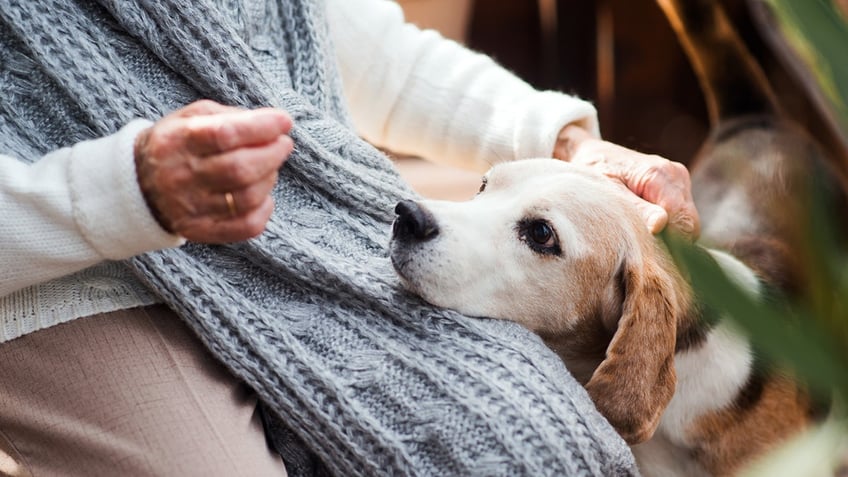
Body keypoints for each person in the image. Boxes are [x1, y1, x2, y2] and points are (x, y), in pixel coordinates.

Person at [0, 0, 699, 476]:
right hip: (66, 276)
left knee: (535, 445)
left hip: (310, 232)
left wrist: (564, 142)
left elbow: (371, 55)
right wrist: (122, 192)